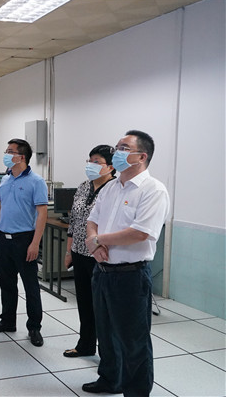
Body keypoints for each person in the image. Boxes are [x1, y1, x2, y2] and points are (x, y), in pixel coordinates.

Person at [82, 130, 169, 396]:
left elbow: (140, 233)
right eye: (117, 147)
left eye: (123, 147)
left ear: (141, 156)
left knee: (133, 342)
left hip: (130, 275)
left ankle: (136, 392)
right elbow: (92, 219)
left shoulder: (153, 190)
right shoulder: (111, 187)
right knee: (106, 332)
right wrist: (93, 243)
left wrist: (98, 240)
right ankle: (110, 379)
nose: (116, 152)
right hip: (102, 271)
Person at [0, 139, 47, 347]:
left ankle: (34, 327)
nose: (6, 154)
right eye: (6, 150)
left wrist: (35, 243)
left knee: (31, 286)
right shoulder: (5, 179)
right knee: (7, 283)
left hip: (24, 240)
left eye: (10, 151)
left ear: (22, 157)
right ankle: (8, 321)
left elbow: (42, 214)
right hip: (3, 238)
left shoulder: (36, 181)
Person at [63, 145, 115, 358]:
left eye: (97, 162)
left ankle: (108, 355)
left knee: (103, 307)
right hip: (79, 252)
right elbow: (74, 221)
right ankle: (85, 345)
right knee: (84, 302)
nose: (91, 165)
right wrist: (69, 251)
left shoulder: (114, 189)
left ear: (110, 167)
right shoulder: (83, 187)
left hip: (101, 257)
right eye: (89, 161)